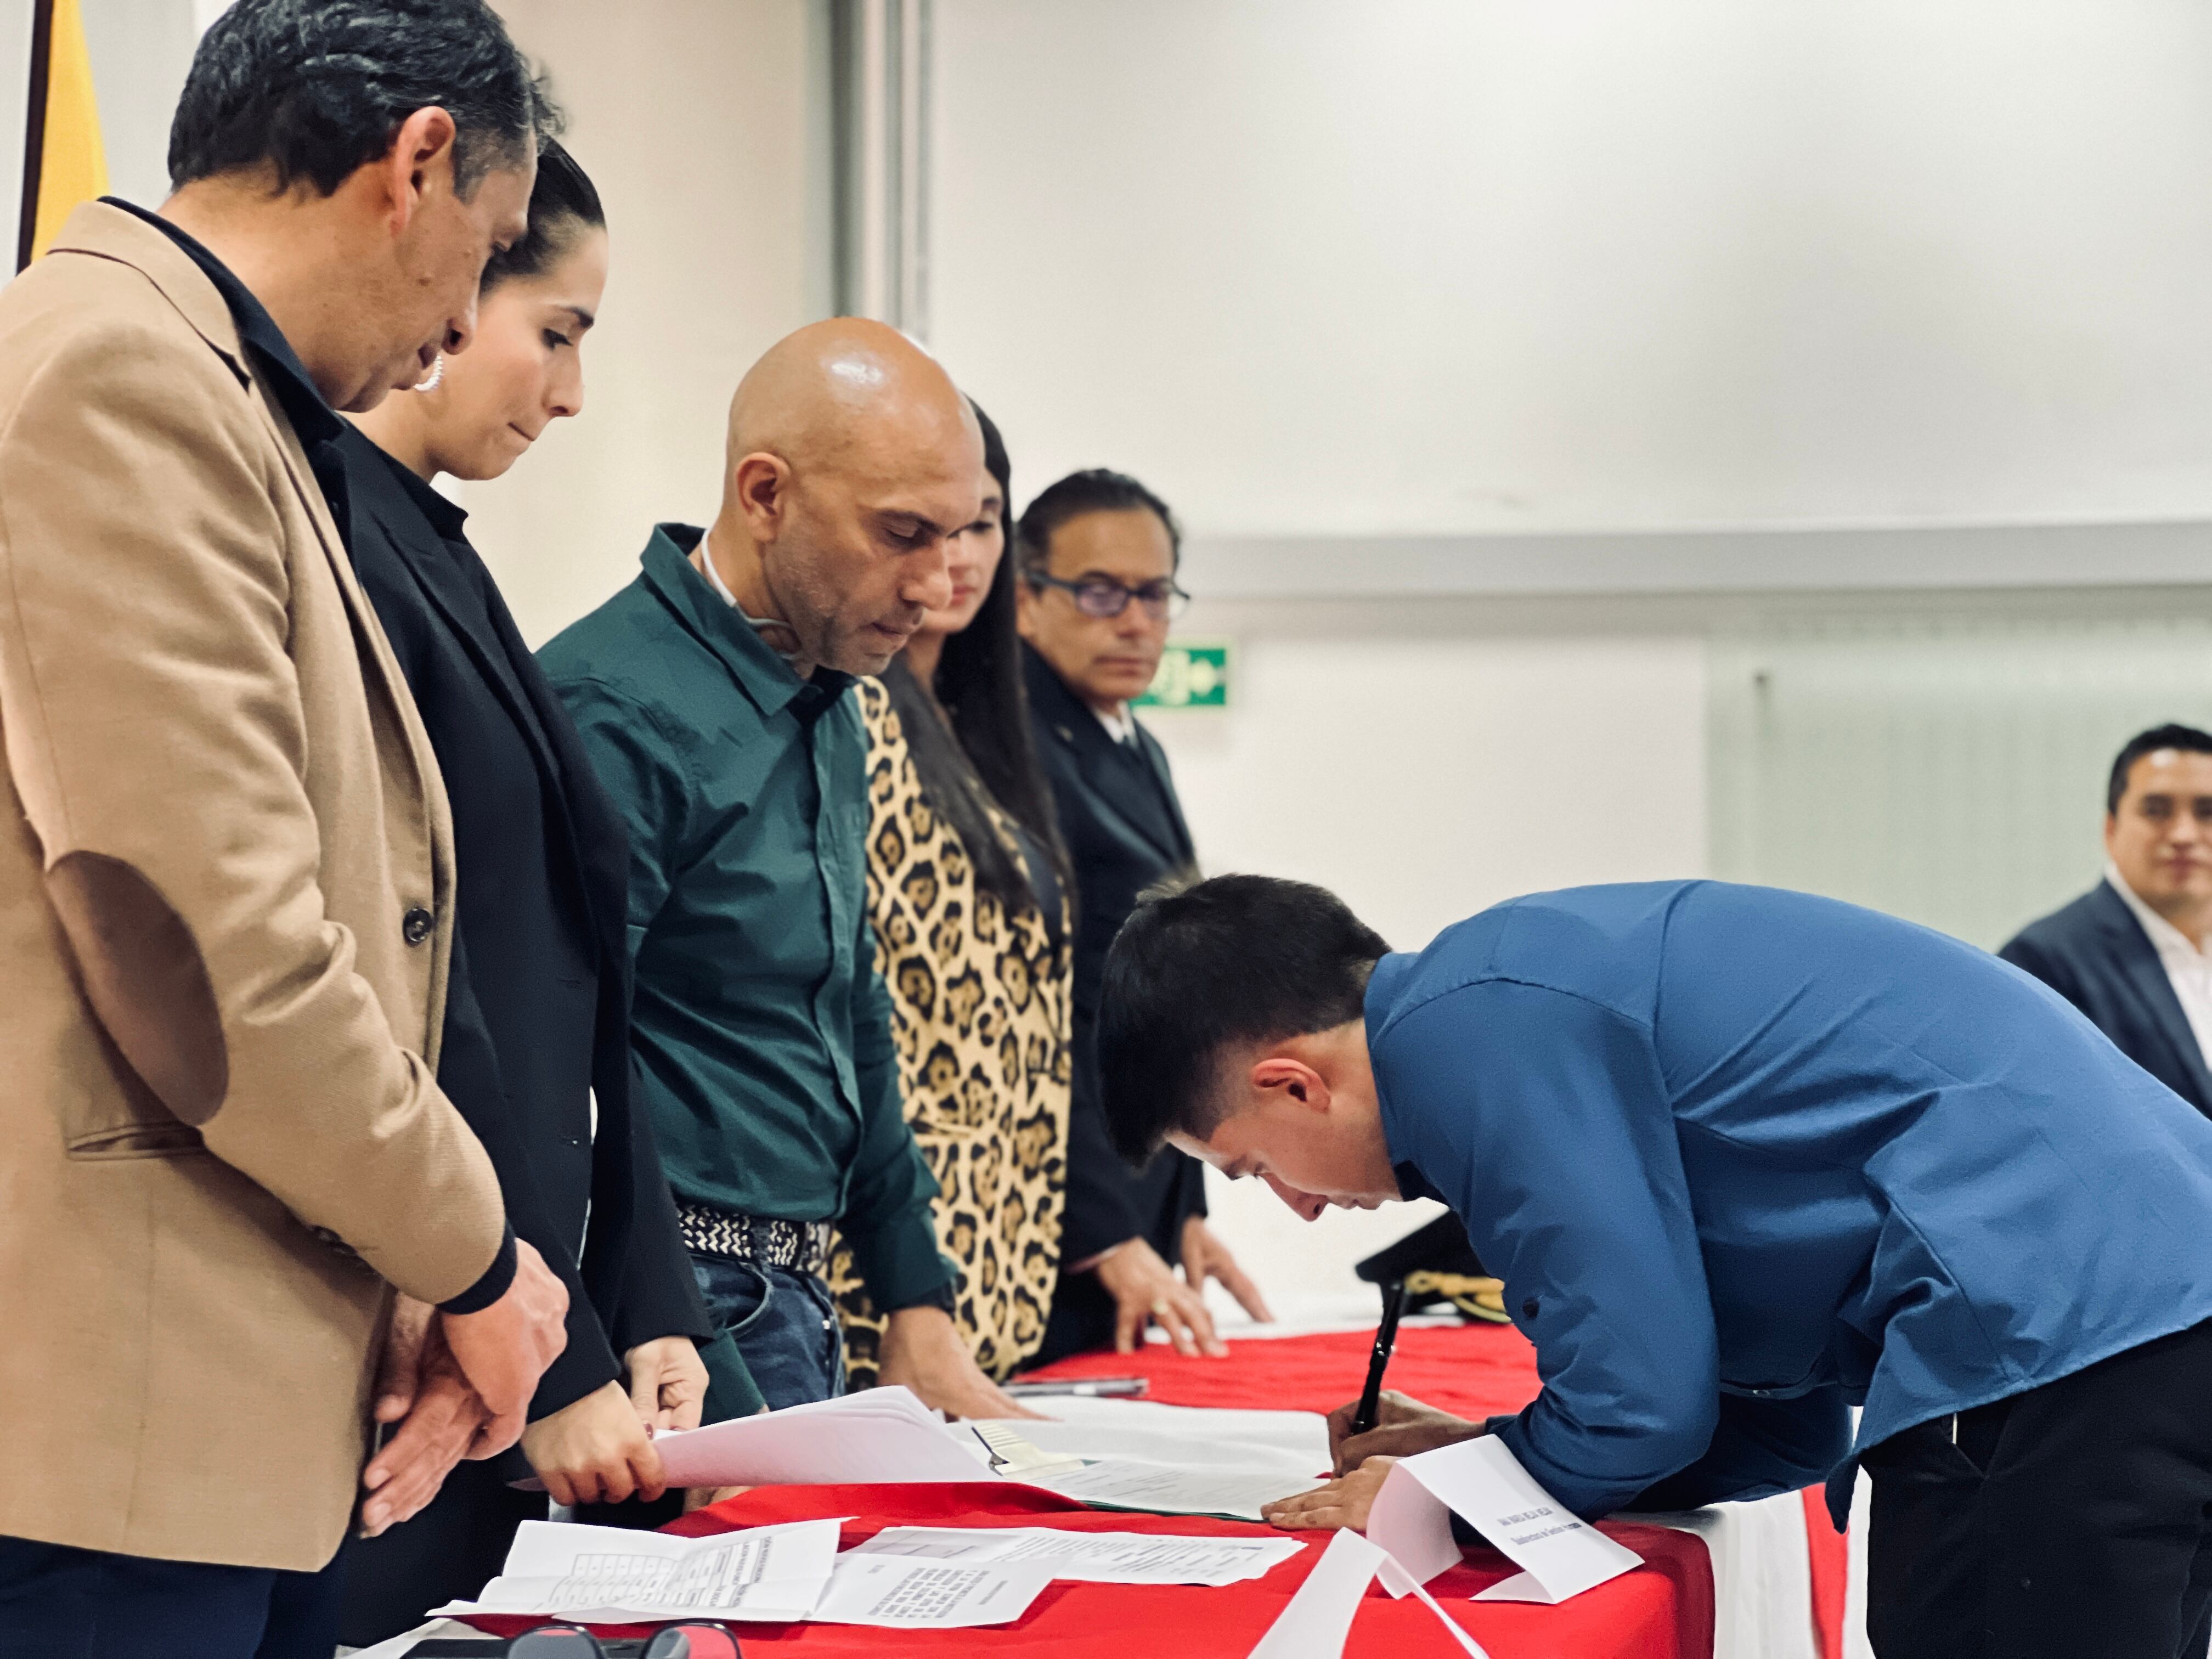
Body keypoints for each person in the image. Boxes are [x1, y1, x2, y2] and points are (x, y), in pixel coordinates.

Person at [0, 3, 574, 1653]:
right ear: (418, 166)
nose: (469, 319)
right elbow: (209, 953)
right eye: (495, 252)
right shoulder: (123, 374)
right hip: (105, 1436)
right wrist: (475, 1261)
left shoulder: (199, 384)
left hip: (187, 1412)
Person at [1095, 874, 2212, 1659]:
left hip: (2052, 1322)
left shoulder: (1471, 1035)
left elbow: (1639, 1407)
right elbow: (1780, 1426)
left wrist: (1451, 1497)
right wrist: (1490, 1456)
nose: (1296, 1205)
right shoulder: (1511, 986)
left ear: (1293, 1084)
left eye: (1248, 1169)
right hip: (2140, 1304)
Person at [330, 140, 730, 1646]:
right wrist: (546, 1357)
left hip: (524, 1317)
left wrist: (642, 1299)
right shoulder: (346, 549)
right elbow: (424, 989)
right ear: (449, 270)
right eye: (554, 331)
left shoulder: (432, 546)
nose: (570, 393)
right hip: (423, 1328)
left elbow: (575, 986)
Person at [541, 319, 1032, 1419]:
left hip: (793, 1289)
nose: (937, 583)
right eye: (902, 533)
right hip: (668, 1306)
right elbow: (555, 1057)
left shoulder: (827, 686)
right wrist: (638, 1313)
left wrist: (917, 1292)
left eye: (959, 537)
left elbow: (851, 1003)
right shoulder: (614, 707)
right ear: (765, 493)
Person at [828, 400, 1076, 1387]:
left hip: (1003, 1218)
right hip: (897, 1222)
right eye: (925, 530)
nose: (960, 556)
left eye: (983, 522)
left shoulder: (978, 721)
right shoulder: (853, 702)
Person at [1016, 469, 1271, 1363]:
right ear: (1024, 597)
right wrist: (1098, 1229)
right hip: (1052, 1229)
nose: (1135, 620)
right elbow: (1031, 1026)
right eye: (1099, 592)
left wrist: (1186, 1201)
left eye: (1155, 593)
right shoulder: (1007, 748)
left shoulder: (1134, 740)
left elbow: (1161, 1004)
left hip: (1136, 1217)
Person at [2001, 723, 2212, 1118]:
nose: (2184, 834)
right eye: (2157, 810)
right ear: (2111, 829)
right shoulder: (2044, 960)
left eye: (2207, 812)